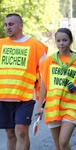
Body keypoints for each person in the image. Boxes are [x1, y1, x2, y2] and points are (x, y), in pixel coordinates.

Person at [36, 28, 76, 150]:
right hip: (53, 106)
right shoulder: (48, 62)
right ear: (55, 42)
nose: (61, 43)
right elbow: (44, 85)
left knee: (63, 142)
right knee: (58, 146)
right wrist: (39, 107)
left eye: (65, 40)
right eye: (58, 41)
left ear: (70, 41)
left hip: (71, 106)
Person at [0, 13, 48, 150]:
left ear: (21, 26)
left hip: (25, 97)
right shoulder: (1, 44)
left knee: (21, 131)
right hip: (4, 97)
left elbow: (45, 76)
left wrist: (40, 103)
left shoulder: (35, 45)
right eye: (5, 24)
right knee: (10, 134)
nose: (7, 27)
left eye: (11, 24)